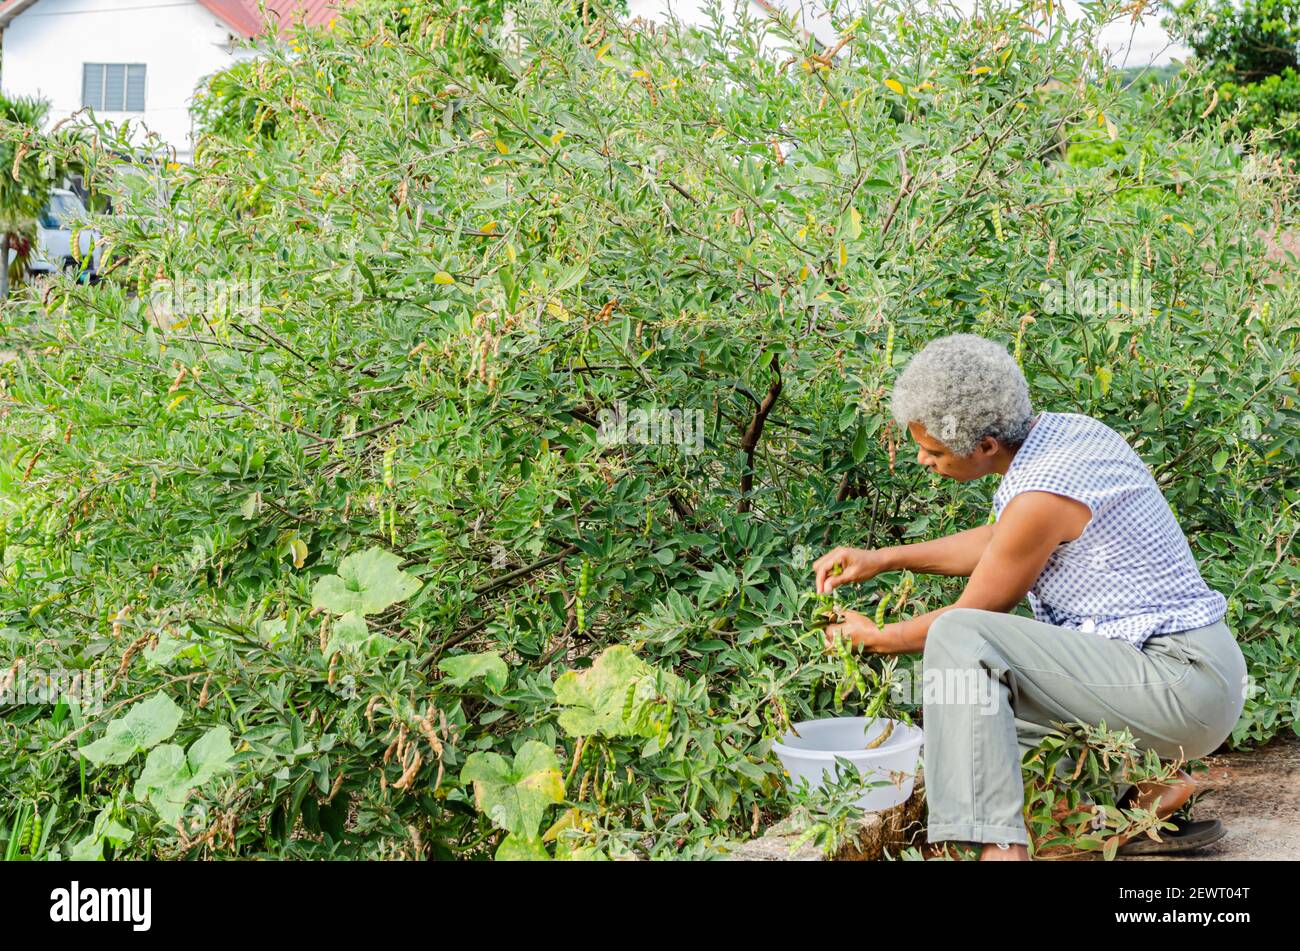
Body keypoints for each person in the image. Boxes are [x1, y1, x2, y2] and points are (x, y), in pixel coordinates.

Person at [811, 333, 1247, 860]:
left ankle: (999, 850)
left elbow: (974, 617)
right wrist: (882, 558)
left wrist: (878, 638)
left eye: (933, 450)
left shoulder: (1042, 494)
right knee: (973, 729)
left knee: (960, 641)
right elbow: (1002, 540)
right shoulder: (1067, 434)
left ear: (987, 445)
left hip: (1178, 680)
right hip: (1185, 671)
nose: (924, 461)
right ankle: (1150, 792)